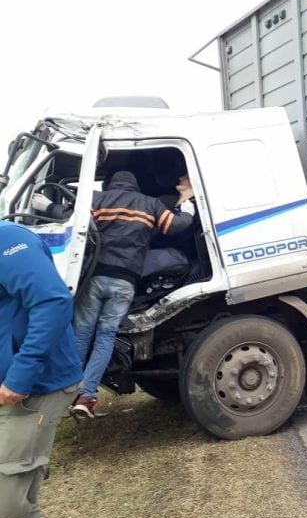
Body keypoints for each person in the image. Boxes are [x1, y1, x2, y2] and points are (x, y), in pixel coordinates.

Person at [32, 170, 195, 418]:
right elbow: (177, 225)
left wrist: (49, 206)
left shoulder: (98, 200)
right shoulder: (149, 204)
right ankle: (87, 396)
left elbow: (71, 220)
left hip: (97, 278)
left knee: (83, 333)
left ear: (111, 184)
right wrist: (190, 206)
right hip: (125, 282)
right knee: (106, 336)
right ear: (136, 186)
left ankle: (68, 392)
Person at [0, 220, 82, 518]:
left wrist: (19, 377)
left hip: (31, 391)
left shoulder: (8, 240)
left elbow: (52, 302)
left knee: (7, 511)